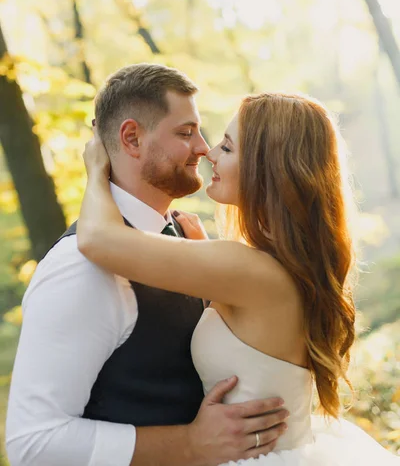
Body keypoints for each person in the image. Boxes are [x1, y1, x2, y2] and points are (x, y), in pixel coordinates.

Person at [77, 90, 399, 465]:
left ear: (267, 168)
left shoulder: (248, 269)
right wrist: (205, 253)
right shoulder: (289, 266)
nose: (209, 153)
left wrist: (97, 170)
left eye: (227, 148)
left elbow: (98, 240)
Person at [6, 64, 288, 466]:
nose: (204, 148)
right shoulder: (80, 268)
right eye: (185, 132)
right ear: (132, 138)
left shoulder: (185, 241)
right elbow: (33, 444)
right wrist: (188, 444)